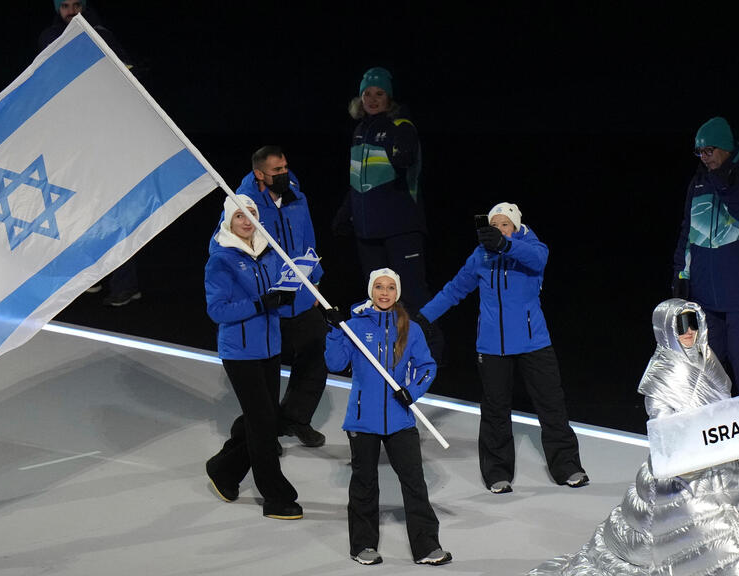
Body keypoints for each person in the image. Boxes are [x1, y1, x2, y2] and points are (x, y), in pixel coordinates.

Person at [530, 299, 739, 575]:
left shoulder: (709, 361)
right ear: (666, 330)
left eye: (693, 323)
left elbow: (727, 409)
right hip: (683, 471)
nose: (689, 332)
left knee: (726, 530)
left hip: (719, 462)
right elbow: (662, 427)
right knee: (718, 536)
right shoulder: (662, 373)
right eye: (681, 326)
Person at [417, 202, 588, 492]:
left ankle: (568, 466)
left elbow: (537, 260)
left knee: (551, 405)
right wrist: (423, 317)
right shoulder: (480, 256)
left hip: (534, 342)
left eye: (504, 225)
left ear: (516, 227)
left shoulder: (533, 247)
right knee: (495, 409)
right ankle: (497, 472)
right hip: (492, 346)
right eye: (493, 226)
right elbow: (455, 290)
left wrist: (505, 246)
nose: (498, 230)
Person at [323, 268, 452, 566]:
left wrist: (412, 391)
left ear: (397, 293)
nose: (384, 292)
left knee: (414, 482)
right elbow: (335, 362)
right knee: (364, 483)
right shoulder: (354, 325)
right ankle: (363, 546)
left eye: (390, 287)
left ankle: (426, 547)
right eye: (379, 287)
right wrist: (334, 331)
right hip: (362, 418)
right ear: (371, 291)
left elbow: (427, 367)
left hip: (400, 419)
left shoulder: (410, 328)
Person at [204, 194, 302, 520]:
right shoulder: (221, 259)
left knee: (262, 417)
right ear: (229, 221)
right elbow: (217, 310)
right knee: (263, 423)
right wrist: (261, 303)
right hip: (240, 352)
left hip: (270, 347)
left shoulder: (267, 248)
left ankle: (224, 469)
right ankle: (275, 496)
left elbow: (277, 294)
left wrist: (290, 292)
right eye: (239, 217)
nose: (247, 221)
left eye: (252, 214)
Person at [41, 0, 143, 307]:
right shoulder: (49, 37)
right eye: (65, 6)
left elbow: (127, 78)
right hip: (74, 141)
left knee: (117, 212)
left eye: (76, 5)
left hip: (109, 140)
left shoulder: (102, 36)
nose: (71, 12)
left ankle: (126, 284)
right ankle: (93, 276)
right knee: (82, 210)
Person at [672, 116, 739, 396]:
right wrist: (681, 274)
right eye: (699, 152)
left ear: (727, 147)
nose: (704, 158)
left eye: (709, 151)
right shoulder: (698, 183)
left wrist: (725, 183)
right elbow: (688, 231)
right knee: (708, 364)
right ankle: (714, 432)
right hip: (707, 294)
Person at [236, 146, 328, 448]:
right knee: (266, 369)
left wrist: (314, 282)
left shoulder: (295, 195)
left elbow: (309, 238)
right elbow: (236, 250)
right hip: (269, 300)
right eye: (277, 171)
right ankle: (264, 429)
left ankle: (296, 418)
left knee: (317, 353)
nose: (284, 174)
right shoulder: (244, 206)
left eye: (286, 167)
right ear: (259, 174)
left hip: (300, 294)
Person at [332, 67, 432, 318]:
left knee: (412, 297)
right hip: (369, 234)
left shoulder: (401, 126)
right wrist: (345, 214)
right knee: (378, 299)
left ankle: (428, 355)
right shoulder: (359, 132)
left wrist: (391, 131)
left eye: (380, 93)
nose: (373, 99)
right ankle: (384, 353)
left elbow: (404, 160)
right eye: (367, 94)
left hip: (401, 231)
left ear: (390, 98)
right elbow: (357, 181)